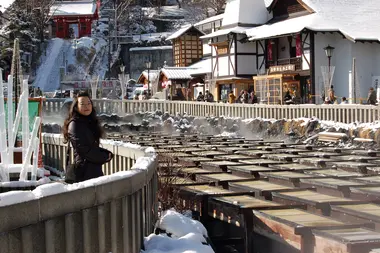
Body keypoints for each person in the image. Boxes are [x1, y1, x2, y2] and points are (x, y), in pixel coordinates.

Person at [62, 91, 113, 182]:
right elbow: (83, 150)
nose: (86, 106)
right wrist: (104, 156)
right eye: (82, 104)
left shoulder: (89, 121)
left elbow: (91, 147)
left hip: (93, 169)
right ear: (76, 107)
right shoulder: (75, 124)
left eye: (89, 103)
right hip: (84, 171)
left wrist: (105, 153)